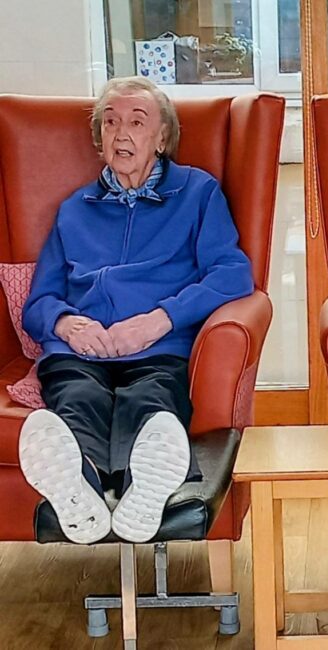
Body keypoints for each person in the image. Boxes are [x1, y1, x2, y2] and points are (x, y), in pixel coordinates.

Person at [18, 76, 253, 546]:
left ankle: (137, 490)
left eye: (137, 121)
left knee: (150, 401)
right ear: (98, 138)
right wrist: (67, 323)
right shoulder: (74, 209)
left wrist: (159, 319)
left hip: (157, 347)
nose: (121, 133)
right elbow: (38, 302)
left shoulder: (197, 193)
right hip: (80, 350)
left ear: (162, 137)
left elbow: (232, 273)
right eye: (110, 122)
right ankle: (79, 489)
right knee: (76, 397)